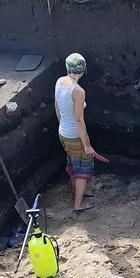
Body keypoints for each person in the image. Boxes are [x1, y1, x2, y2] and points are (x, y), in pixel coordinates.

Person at [55, 53, 99, 213]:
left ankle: (76, 193)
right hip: (75, 135)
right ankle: (78, 205)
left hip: (63, 133)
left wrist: (62, 125)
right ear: (83, 70)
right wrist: (87, 144)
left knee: (73, 164)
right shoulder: (78, 91)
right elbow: (79, 120)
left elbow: (57, 107)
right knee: (83, 169)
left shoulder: (60, 81)